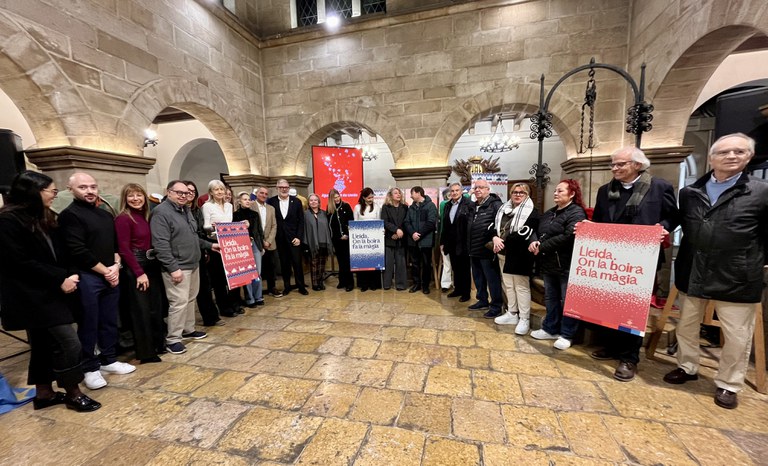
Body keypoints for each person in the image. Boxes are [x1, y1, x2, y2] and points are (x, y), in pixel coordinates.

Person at [663, 133, 768, 409]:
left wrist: (754, 261)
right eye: (724, 152)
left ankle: (729, 383)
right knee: (686, 325)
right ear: (711, 158)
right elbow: (677, 221)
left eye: (739, 151)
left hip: (736, 274)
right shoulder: (690, 192)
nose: (731, 156)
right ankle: (687, 367)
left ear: (749, 156)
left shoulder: (761, 191)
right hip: (693, 269)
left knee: (736, 334)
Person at [0, 171, 101, 412]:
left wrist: (71, 273)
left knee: (42, 345)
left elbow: (63, 251)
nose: (55, 195)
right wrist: (59, 279)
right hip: (31, 295)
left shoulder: (45, 216)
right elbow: (19, 262)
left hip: (53, 289)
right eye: (52, 191)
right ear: (33, 192)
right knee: (69, 343)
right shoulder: (8, 221)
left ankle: (44, 393)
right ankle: (73, 392)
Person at [589, 147, 679, 381]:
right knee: (609, 306)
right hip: (611, 258)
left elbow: (673, 216)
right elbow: (598, 220)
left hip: (641, 258)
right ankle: (612, 346)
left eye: (620, 164)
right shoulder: (605, 190)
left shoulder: (659, 187)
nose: (614, 168)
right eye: (613, 164)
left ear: (637, 165)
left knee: (633, 310)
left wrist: (663, 228)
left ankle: (629, 358)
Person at [59, 172, 135, 390]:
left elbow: (115, 246)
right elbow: (78, 250)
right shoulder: (69, 215)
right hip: (88, 277)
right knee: (89, 323)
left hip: (110, 272)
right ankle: (89, 367)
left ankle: (108, 359)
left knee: (109, 320)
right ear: (71, 189)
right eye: (83, 187)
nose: (89, 191)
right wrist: (106, 271)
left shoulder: (104, 214)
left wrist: (116, 266)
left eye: (93, 186)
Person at [151, 180, 219, 355]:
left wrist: (210, 245)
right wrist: (173, 267)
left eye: (186, 193)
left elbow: (192, 236)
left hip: (193, 263)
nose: (183, 196)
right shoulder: (161, 212)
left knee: (190, 299)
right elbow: (160, 244)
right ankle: (173, 339)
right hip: (178, 266)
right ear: (169, 192)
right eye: (179, 192)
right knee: (178, 303)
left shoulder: (186, 210)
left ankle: (188, 329)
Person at [528, 179, 587, 350]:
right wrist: (534, 241)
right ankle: (550, 328)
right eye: (555, 190)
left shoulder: (577, 212)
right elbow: (537, 229)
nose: (555, 193)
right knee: (551, 297)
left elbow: (569, 236)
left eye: (560, 191)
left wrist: (542, 246)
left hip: (566, 263)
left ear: (572, 194)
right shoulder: (550, 212)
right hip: (548, 262)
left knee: (568, 300)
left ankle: (567, 334)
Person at [115, 183, 166, 364]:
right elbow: (124, 249)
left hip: (151, 265)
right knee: (141, 311)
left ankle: (158, 344)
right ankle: (146, 352)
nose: (135, 199)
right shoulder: (123, 218)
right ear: (125, 199)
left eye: (139, 195)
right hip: (136, 267)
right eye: (131, 196)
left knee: (155, 308)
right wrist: (138, 273)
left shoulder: (145, 216)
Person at [491, 183, 539, 335]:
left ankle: (524, 318)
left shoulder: (532, 212)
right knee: (508, 285)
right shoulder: (503, 209)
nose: (517, 195)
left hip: (520, 254)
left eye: (521, 193)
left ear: (527, 195)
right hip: (502, 253)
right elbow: (494, 227)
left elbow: (524, 233)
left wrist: (501, 243)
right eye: (515, 192)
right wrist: (494, 238)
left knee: (521, 287)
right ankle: (512, 313)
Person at [186, 181, 223, 327]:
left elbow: (201, 231)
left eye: (192, 191)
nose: (190, 194)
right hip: (185, 254)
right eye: (187, 191)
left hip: (201, 249)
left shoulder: (196, 210)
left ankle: (211, 317)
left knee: (204, 286)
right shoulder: (179, 211)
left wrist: (207, 248)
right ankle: (186, 326)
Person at [202, 179, 241, 316]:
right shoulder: (207, 206)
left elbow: (230, 223)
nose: (219, 192)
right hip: (215, 244)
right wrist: (213, 227)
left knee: (233, 275)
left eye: (221, 189)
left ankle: (234, 303)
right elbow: (205, 226)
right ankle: (224, 307)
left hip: (230, 243)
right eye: (216, 189)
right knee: (218, 278)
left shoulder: (229, 206)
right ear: (211, 192)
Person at [467, 179, 504, 318]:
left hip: (487, 249)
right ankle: (482, 300)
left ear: (488, 190)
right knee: (478, 278)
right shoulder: (473, 205)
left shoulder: (495, 204)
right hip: (473, 248)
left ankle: (496, 306)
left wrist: (494, 236)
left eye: (481, 187)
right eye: (476, 188)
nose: (478, 190)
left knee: (492, 279)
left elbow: (500, 225)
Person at [268, 179, 308, 295]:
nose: (284, 189)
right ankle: (287, 286)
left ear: (289, 188)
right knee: (284, 264)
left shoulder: (296, 202)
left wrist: (299, 237)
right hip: (280, 238)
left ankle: (301, 286)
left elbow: (301, 221)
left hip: (294, 238)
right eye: (281, 187)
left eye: (286, 187)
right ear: (277, 188)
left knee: (297, 263)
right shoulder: (271, 201)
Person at [440, 183, 473, 303]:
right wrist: (443, 241)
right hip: (451, 241)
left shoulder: (468, 204)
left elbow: (470, 224)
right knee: (455, 267)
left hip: (463, 241)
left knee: (464, 268)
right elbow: (445, 224)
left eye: (457, 190)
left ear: (461, 191)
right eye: (452, 191)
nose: (454, 193)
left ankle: (466, 293)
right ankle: (458, 289)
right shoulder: (447, 205)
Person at [233, 191, 265, 305]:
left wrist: (261, 246)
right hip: (242, 246)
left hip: (255, 244)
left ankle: (258, 296)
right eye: (245, 199)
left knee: (257, 272)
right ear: (239, 201)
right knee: (247, 272)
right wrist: (242, 225)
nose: (247, 201)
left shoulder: (255, 214)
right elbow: (233, 231)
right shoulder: (235, 215)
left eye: (249, 199)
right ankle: (250, 298)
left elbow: (259, 231)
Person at [404, 186, 437, 294]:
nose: (411, 196)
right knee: (415, 264)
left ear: (418, 193)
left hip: (426, 241)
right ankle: (416, 284)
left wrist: (420, 234)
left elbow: (431, 223)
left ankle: (425, 285)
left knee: (426, 264)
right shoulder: (411, 208)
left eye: (412, 193)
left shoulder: (430, 206)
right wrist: (413, 233)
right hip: (413, 241)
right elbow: (406, 222)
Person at [253, 186, 282, 298]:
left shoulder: (271, 208)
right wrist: (261, 241)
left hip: (269, 243)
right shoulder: (251, 206)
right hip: (256, 243)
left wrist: (268, 241)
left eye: (266, 194)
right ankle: (257, 292)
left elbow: (274, 225)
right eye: (261, 193)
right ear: (256, 194)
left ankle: (272, 288)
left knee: (271, 267)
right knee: (257, 268)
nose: (264, 195)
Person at [353, 187, 382, 291]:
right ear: (364, 198)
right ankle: (364, 284)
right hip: (362, 240)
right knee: (363, 262)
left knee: (373, 261)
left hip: (374, 240)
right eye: (369, 198)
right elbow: (355, 223)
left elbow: (379, 222)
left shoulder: (377, 207)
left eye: (372, 197)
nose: (371, 199)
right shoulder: (357, 207)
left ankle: (374, 283)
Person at [380, 187, 408, 291]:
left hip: (401, 238)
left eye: (399, 193)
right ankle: (387, 284)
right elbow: (385, 222)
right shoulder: (386, 207)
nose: (398, 194)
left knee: (401, 263)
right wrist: (395, 230)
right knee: (388, 263)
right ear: (390, 196)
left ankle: (400, 284)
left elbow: (406, 222)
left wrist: (400, 232)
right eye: (396, 193)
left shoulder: (405, 207)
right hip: (389, 238)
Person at [304, 193, 333, 291]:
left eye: (315, 200)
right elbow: (305, 229)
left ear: (319, 202)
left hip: (324, 243)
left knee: (322, 264)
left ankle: (321, 282)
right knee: (314, 264)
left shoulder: (324, 213)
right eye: (311, 200)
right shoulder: (306, 214)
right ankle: (315, 283)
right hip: (312, 243)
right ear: (308, 202)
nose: (313, 202)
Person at [328, 188, 355, 292]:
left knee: (347, 261)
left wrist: (346, 234)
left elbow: (351, 222)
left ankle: (349, 283)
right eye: (334, 197)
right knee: (340, 261)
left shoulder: (346, 206)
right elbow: (331, 226)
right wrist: (338, 236)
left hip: (346, 239)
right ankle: (342, 281)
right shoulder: (329, 209)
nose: (337, 199)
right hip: (336, 239)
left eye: (338, 196)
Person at [438, 187, 453, 292]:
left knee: (455, 263)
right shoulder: (444, 204)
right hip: (445, 237)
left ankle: (453, 284)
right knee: (447, 262)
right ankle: (446, 284)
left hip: (456, 238)